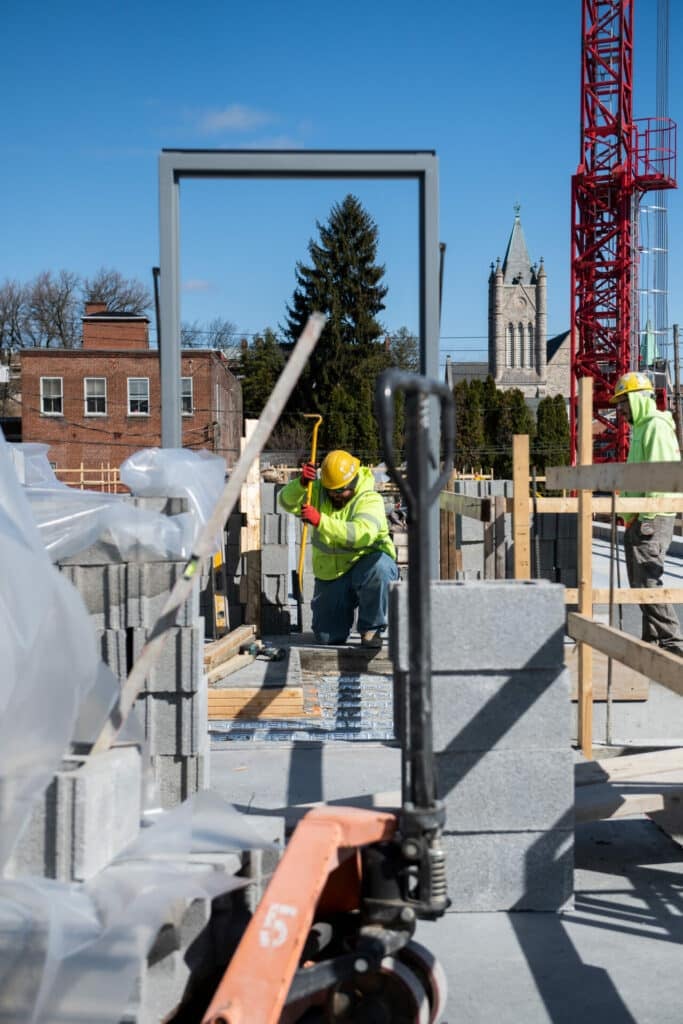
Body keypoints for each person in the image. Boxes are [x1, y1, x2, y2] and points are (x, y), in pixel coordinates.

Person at [278, 449, 399, 648]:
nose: (334, 495)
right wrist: (300, 485)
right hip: (333, 576)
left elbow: (360, 534)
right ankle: (339, 616)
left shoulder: (369, 499)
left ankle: (372, 628)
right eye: (330, 490)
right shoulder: (319, 491)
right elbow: (285, 501)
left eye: (339, 491)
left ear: (352, 483)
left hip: (365, 567)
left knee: (381, 568)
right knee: (327, 638)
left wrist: (320, 521)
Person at [610, 371, 683, 656]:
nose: (621, 410)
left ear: (637, 399)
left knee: (648, 579)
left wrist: (648, 517)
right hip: (639, 516)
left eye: (624, 402)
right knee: (638, 582)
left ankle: (672, 641)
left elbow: (662, 476)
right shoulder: (641, 428)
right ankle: (651, 641)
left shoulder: (656, 426)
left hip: (653, 516)